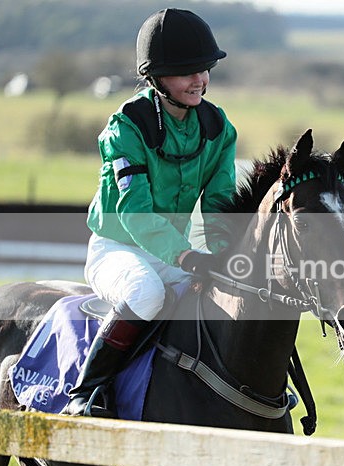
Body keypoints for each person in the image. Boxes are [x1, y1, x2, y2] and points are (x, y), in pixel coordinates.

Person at [64, 8, 237, 416]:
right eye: (185, 72)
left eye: (204, 69)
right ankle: (87, 391)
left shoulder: (218, 128)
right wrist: (185, 255)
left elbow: (218, 206)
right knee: (146, 294)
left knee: (225, 294)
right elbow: (135, 212)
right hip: (118, 248)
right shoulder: (125, 127)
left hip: (172, 251)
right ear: (156, 78)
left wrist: (225, 255)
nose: (199, 80)